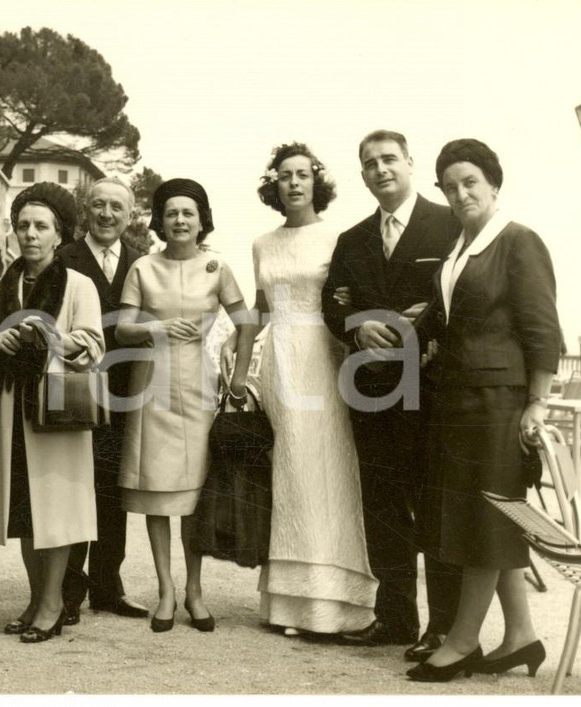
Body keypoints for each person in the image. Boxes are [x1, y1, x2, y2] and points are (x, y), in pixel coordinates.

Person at [406, 139, 560, 682]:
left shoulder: (517, 241)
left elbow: (543, 329)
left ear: (494, 183)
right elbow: (448, 317)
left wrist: (536, 403)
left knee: (485, 519)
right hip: (460, 401)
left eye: (470, 182)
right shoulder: (459, 250)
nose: (460, 193)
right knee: (490, 519)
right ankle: (521, 636)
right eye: (450, 186)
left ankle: (464, 640)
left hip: (499, 403)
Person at [222, 143, 378, 636]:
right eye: (285, 175)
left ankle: (334, 605)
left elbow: (346, 301)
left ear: (316, 182)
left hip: (322, 358)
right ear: (275, 184)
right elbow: (262, 308)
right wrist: (238, 352)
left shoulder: (337, 238)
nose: (293, 183)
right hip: (278, 363)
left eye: (303, 175)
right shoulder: (262, 243)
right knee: (288, 469)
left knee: (325, 469)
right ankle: (289, 605)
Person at [321, 130, 463, 660]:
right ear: (362, 175)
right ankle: (396, 617)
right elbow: (331, 303)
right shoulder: (352, 239)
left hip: (430, 386)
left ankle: (444, 627)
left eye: (389, 160)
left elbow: (462, 293)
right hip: (372, 389)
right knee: (381, 503)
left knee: (432, 504)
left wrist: (429, 327)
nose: (380, 169)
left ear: (409, 163)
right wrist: (357, 325)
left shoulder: (449, 224)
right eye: (370, 163)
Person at [0, 182, 105, 644]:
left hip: (56, 410)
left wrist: (55, 339)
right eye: (23, 225)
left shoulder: (79, 285)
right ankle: (34, 599)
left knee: (57, 509)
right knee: (24, 510)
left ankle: (52, 603)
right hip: (11, 409)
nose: (30, 234)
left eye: (41, 226)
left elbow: (94, 345)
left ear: (58, 235)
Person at [116, 178, 255, 633]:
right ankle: (165, 590)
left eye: (188, 213)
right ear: (160, 220)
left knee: (194, 494)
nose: (179, 220)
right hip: (150, 385)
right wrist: (155, 329)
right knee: (157, 491)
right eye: (171, 213)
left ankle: (195, 591)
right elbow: (122, 329)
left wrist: (238, 377)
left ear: (201, 221)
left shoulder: (217, 267)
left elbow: (247, 322)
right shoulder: (143, 268)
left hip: (198, 385)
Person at [59, 177, 149, 624]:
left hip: (129, 391)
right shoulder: (64, 258)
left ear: (130, 216)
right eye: (98, 205)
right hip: (77, 386)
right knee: (75, 487)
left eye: (116, 207)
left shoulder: (143, 263)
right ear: (86, 211)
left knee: (114, 489)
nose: (106, 214)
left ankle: (108, 586)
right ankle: (66, 591)